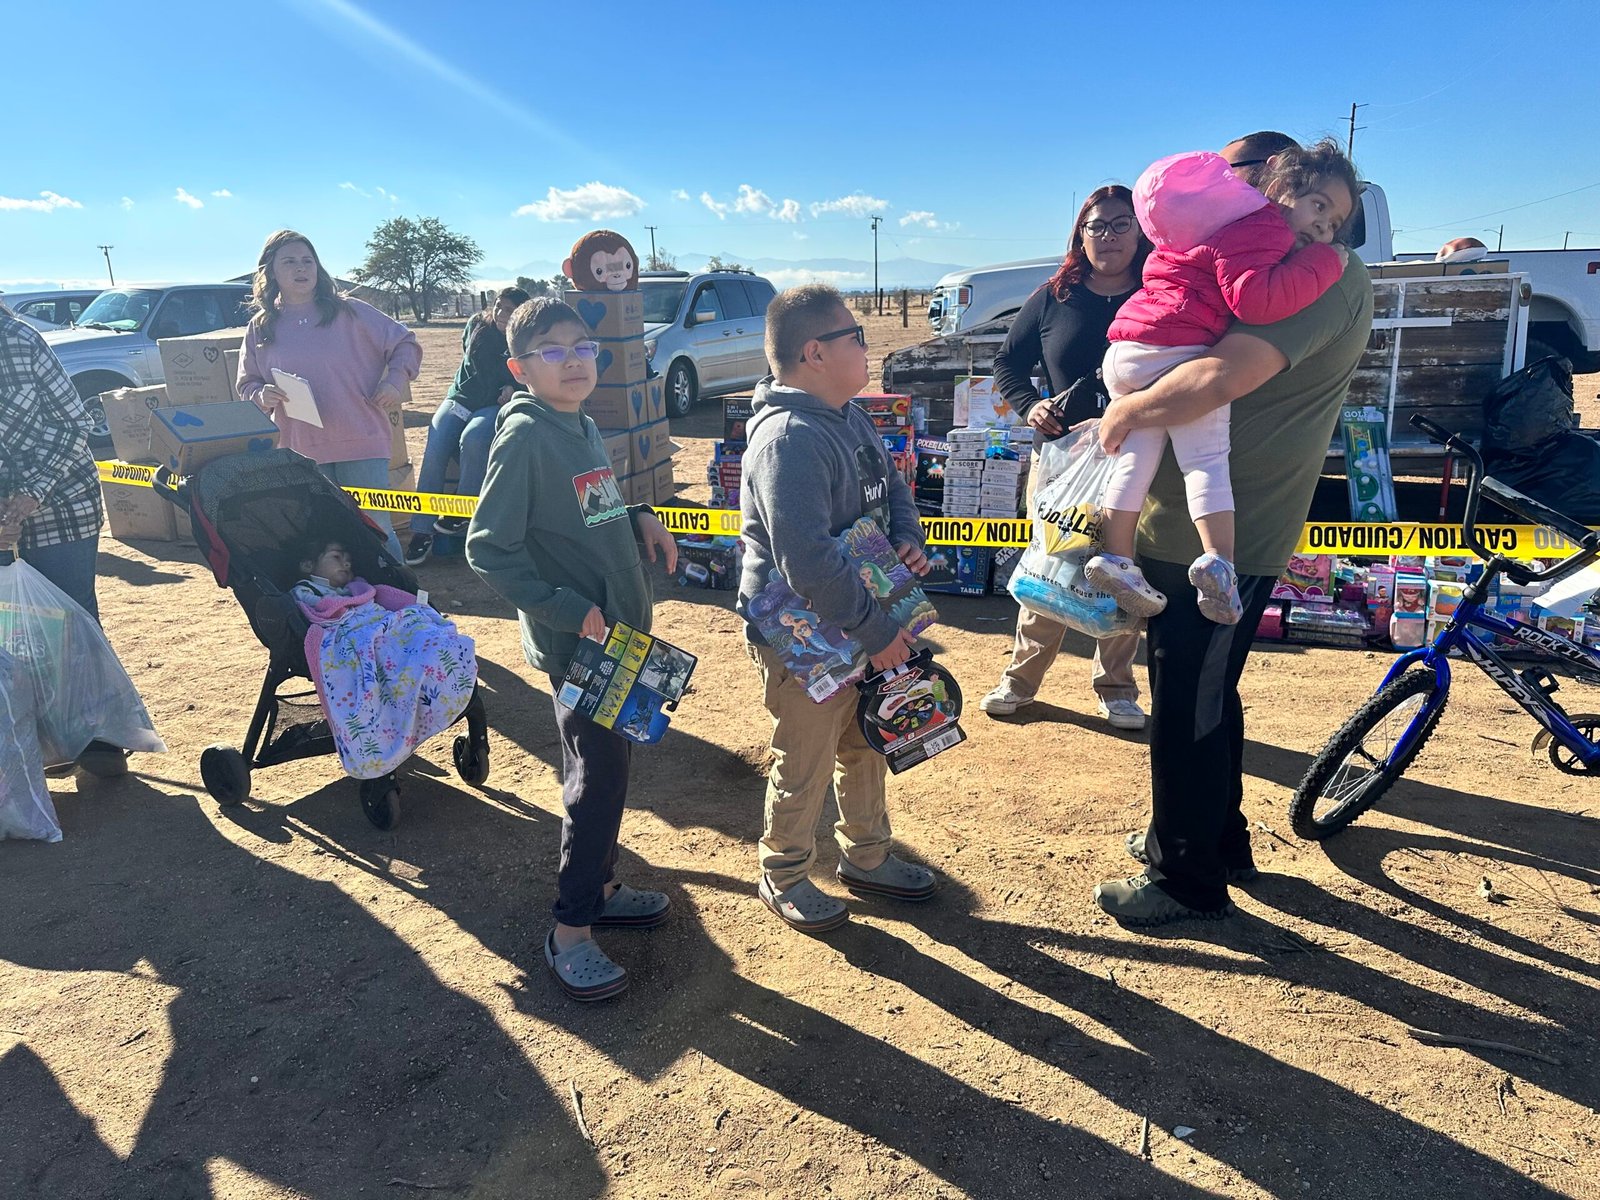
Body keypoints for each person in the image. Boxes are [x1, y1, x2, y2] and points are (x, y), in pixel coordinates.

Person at [1089, 131, 1375, 926]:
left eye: (1237, 181)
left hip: (1222, 535)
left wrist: (1125, 411)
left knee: (1190, 703)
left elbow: (1218, 376)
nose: (1230, 198)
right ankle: (1218, 840)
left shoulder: (1319, 270)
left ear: (1268, 182)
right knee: (1207, 691)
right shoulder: (1268, 255)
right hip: (1199, 525)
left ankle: (1185, 877)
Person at [466, 298, 679, 1002]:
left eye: (583, 346)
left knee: (610, 771)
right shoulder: (526, 436)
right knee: (597, 782)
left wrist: (638, 516)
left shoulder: (579, 423)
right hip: (580, 647)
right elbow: (488, 549)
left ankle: (602, 888)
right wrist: (564, 608)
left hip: (618, 639)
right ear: (519, 368)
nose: (573, 360)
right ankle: (571, 931)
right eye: (552, 350)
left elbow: (589, 505)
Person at [1085, 141, 1357, 626]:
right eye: (1319, 207)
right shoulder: (1263, 228)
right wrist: (1325, 262)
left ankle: (1116, 559)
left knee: (1135, 460)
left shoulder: (1204, 224)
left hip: (1128, 348)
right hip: (1175, 350)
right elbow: (1257, 301)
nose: (1324, 228)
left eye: (1335, 222)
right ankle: (1219, 563)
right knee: (1206, 461)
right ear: (1281, 184)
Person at [738, 284, 936, 935]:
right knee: (806, 758)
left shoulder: (847, 415)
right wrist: (877, 632)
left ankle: (867, 857)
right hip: (803, 632)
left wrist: (908, 536)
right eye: (856, 336)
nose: (866, 346)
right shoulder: (788, 440)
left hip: (857, 615)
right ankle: (785, 873)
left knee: (866, 741)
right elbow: (807, 562)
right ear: (815, 353)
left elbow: (892, 483)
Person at [978, 186, 1153, 730]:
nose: (1108, 236)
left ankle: (1117, 687)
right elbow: (1008, 362)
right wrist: (1030, 406)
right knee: (1050, 564)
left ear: (1141, 231)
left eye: (1121, 224)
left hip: (1135, 456)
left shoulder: (1158, 292)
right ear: (1080, 234)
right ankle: (1020, 680)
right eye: (1096, 226)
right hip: (1060, 459)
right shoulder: (1055, 295)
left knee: (1121, 570)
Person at [237, 229, 420, 561]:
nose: (301, 268)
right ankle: (350, 596)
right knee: (327, 538)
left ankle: (400, 592)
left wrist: (394, 382)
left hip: (362, 441)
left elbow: (405, 342)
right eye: (289, 261)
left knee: (376, 530)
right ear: (270, 271)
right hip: (302, 449)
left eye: (307, 260)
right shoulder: (260, 327)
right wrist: (261, 396)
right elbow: (247, 383)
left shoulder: (350, 312)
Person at [405, 286, 530, 565]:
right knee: (437, 443)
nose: (501, 313)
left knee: (474, 439)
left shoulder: (526, 338)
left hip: (492, 404)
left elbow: (531, 375)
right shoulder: (477, 325)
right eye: (499, 306)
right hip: (461, 399)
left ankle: (460, 512)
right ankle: (422, 530)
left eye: (510, 310)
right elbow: (471, 362)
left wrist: (513, 388)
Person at [0, 299, 103, 619]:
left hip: (63, 502)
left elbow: (73, 423)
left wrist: (31, 492)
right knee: (11, 625)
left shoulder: (20, 340)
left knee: (71, 620)